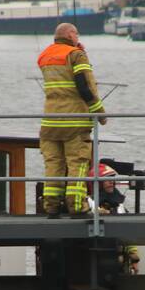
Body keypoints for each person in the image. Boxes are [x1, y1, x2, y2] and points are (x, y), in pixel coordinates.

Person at [37, 22, 106, 218]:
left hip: (50, 121)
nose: (78, 36)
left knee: (53, 166)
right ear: (69, 34)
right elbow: (85, 86)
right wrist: (99, 113)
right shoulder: (76, 55)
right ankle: (77, 207)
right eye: (76, 33)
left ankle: (51, 207)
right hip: (74, 120)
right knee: (77, 164)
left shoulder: (44, 56)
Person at [87, 163, 140, 273]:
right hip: (93, 259)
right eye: (107, 179)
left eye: (112, 179)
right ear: (97, 183)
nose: (111, 182)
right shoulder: (89, 204)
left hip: (117, 259)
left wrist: (133, 255)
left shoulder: (119, 205)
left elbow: (129, 231)